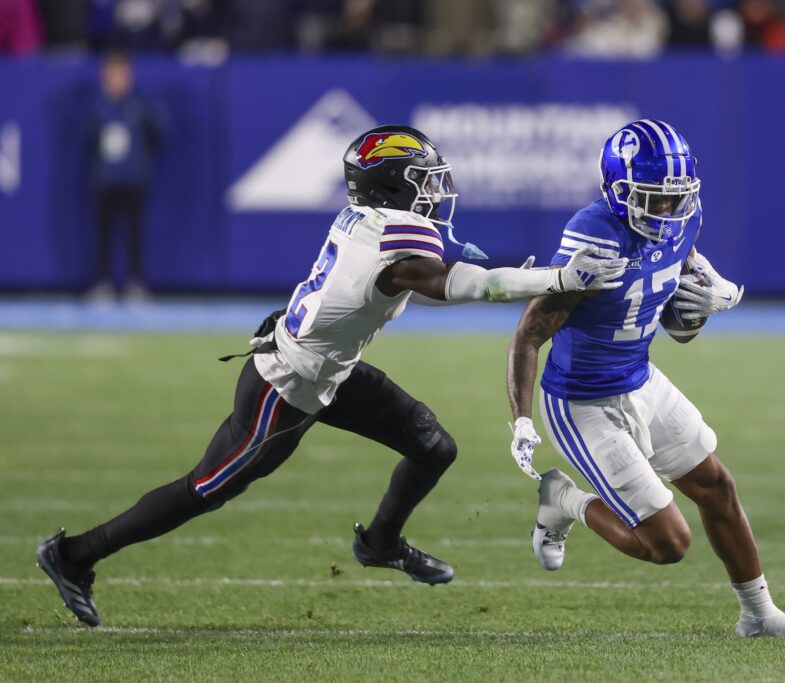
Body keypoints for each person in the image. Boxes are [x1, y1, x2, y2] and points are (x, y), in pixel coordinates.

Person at [36, 125, 627, 627]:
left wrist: (516, 267)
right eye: (426, 180)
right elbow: (468, 285)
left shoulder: (372, 217)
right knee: (207, 489)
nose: (439, 191)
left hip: (331, 371)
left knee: (433, 445)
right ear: (393, 187)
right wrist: (556, 279)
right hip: (285, 385)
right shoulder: (394, 247)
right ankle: (73, 555)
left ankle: (379, 543)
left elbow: (449, 255)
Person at [506, 119, 785, 638]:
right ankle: (564, 500)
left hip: (641, 378)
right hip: (581, 401)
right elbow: (530, 333)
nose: (666, 210)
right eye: (652, 198)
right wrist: (522, 420)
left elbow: (677, 309)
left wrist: (713, 294)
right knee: (668, 544)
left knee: (717, 486)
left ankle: (759, 615)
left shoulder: (684, 217)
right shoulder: (595, 237)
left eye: (674, 198)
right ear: (617, 191)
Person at [87, 52, 164, 302]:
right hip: (106, 180)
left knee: (134, 233)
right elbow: (88, 142)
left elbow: (156, 136)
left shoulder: (140, 105)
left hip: (133, 179)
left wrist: (141, 163)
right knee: (104, 233)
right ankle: (103, 282)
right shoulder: (98, 106)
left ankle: (135, 282)